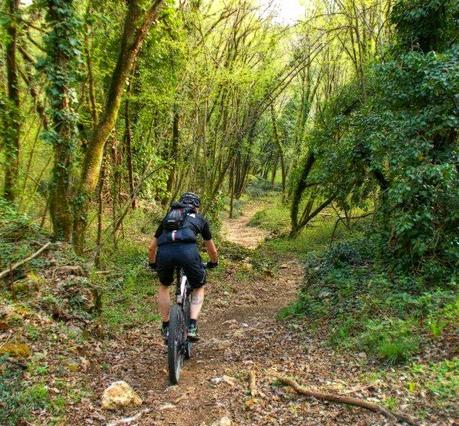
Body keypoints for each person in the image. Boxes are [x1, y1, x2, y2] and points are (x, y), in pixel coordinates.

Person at [148, 192, 218, 341]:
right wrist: (213, 262)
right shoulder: (199, 219)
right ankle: (192, 326)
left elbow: (151, 248)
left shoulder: (168, 218)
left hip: (165, 253)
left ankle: (166, 325)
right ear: (196, 207)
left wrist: (153, 263)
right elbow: (212, 249)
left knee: (164, 286)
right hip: (188, 253)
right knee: (199, 286)